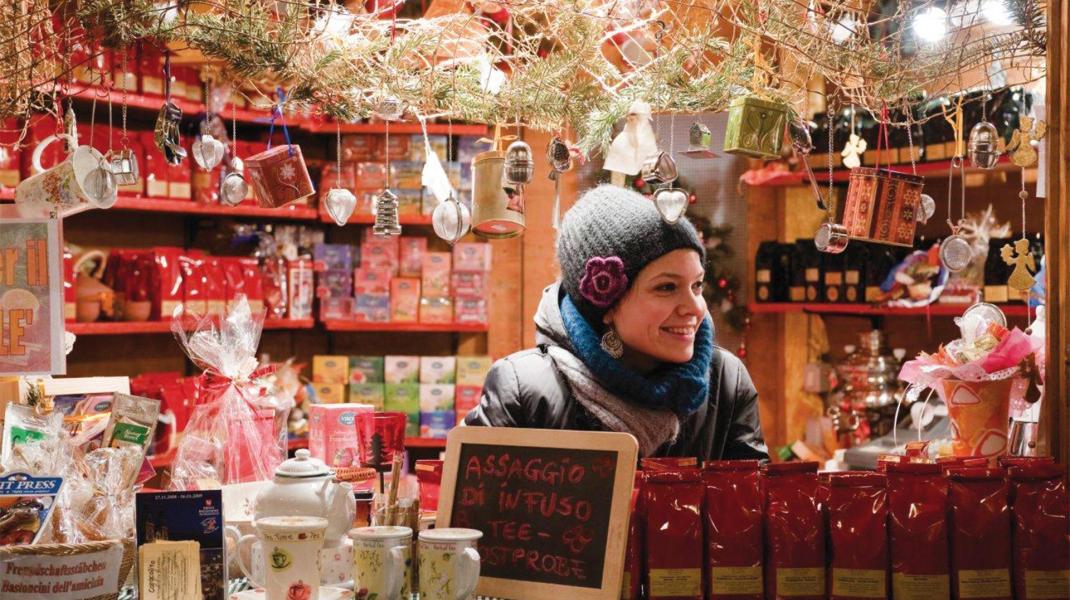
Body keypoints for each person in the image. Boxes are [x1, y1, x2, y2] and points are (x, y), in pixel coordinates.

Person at [464, 185, 767, 460]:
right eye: (666, 287)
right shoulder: (522, 389)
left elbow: (752, 509)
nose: (695, 308)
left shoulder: (726, 380)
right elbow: (478, 511)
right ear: (605, 306)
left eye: (697, 285)